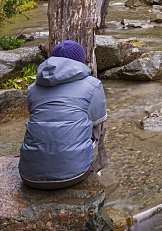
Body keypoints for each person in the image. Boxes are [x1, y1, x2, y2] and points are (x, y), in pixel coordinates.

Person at [18, 40, 108, 190]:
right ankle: (96, 169)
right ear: (80, 60)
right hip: (75, 175)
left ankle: (41, 160)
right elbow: (97, 119)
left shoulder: (33, 88)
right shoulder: (93, 84)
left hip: (29, 177)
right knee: (100, 122)